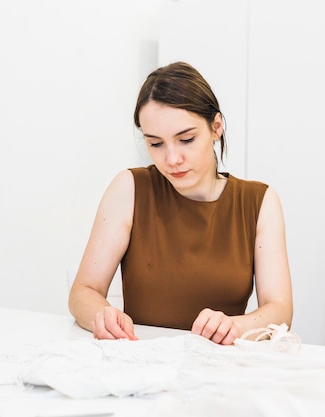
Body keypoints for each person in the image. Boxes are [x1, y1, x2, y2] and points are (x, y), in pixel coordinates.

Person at [69, 62, 292, 345]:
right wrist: (101, 315)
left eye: (186, 139)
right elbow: (83, 291)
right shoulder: (130, 189)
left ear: (216, 127)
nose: (171, 159)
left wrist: (235, 327)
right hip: (142, 363)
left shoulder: (259, 202)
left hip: (220, 370)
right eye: (156, 144)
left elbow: (280, 309)